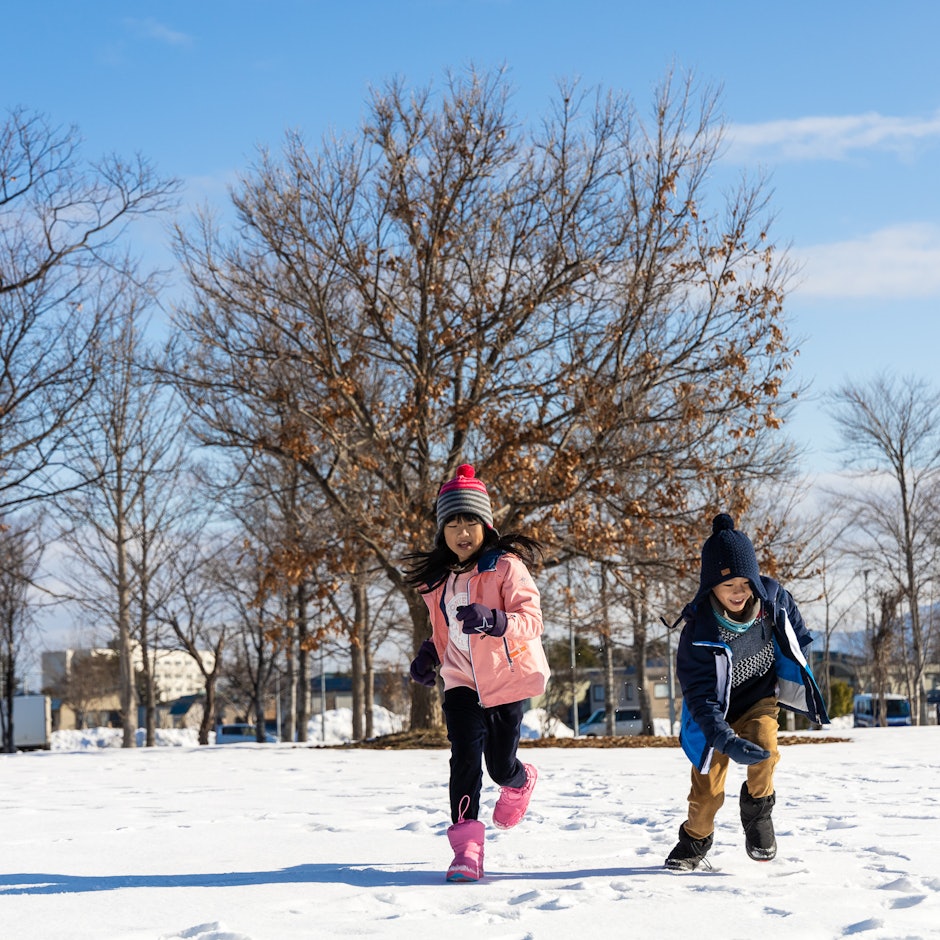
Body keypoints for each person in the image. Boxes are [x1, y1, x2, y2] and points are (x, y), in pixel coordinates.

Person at [405, 463, 551, 883]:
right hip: (461, 684)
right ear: (442, 532)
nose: (462, 531)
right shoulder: (439, 581)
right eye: (453, 523)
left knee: (499, 766)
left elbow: (532, 621)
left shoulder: (506, 567)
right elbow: (443, 630)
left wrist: (495, 620)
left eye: (470, 521)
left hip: (505, 681)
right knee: (464, 759)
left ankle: (519, 781)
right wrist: (428, 654)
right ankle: (466, 849)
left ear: (486, 525)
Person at [664, 513, 829, 872]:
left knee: (766, 753)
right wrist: (725, 739)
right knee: (707, 792)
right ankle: (695, 838)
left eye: (744, 582)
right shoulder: (697, 633)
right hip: (713, 716)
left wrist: (798, 649)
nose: (738, 592)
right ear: (711, 588)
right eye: (728, 586)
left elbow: (795, 630)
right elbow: (700, 698)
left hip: (759, 699)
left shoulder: (772, 601)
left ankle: (757, 814)